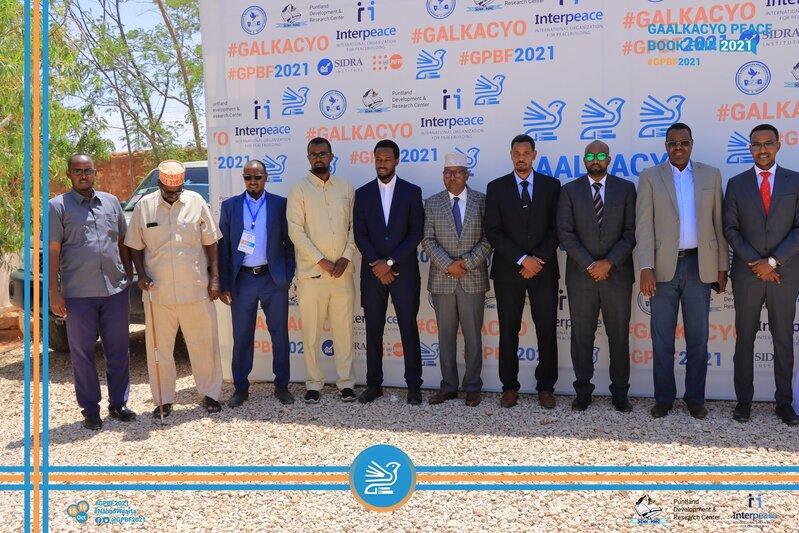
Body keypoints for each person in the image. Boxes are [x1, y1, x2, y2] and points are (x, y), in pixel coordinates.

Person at [635, 122, 728, 420]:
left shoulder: (710, 175)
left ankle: (695, 398)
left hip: (699, 266)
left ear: (692, 143)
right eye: (673, 143)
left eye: (684, 142)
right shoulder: (650, 177)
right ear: (666, 146)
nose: (678, 147)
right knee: (661, 338)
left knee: (698, 337)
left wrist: (722, 266)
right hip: (662, 268)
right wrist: (646, 267)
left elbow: (719, 224)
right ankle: (663, 398)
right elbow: (644, 226)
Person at [125, 160, 224, 417]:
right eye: (169, 191)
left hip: (195, 288)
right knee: (159, 350)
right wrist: (142, 275)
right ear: (159, 185)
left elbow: (212, 242)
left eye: (177, 190)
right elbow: (134, 245)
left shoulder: (197, 202)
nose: (173, 195)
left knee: (204, 345)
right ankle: (164, 399)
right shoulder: (144, 207)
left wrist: (214, 279)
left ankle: (210, 394)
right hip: (159, 293)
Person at [48, 154, 135, 430]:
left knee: (119, 349)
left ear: (95, 172)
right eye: (78, 171)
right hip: (78, 294)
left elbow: (123, 240)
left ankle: (118, 403)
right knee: (82, 353)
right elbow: (52, 252)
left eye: (88, 170)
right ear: (69, 175)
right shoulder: (57, 206)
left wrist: (129, 272)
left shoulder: (111, 202)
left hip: (114, 290)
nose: (84, 175)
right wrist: (54, 292)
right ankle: (90, 410)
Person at [723, 123, 799, 425]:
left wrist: (774, 261)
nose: (762, 149)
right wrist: (757, 262)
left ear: (779, 145)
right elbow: (730, 228)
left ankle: (784, 403)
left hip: (785, 273)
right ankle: (743, 402)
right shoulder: (737, 183)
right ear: (750, 147)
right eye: (756, 144)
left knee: (783, 338)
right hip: (748, 273)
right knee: (745, 340)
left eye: (768, 144)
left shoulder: (795, 181)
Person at [556, 141, 636, 412]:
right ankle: (583, 391)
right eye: (590, 155)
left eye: (601, 155)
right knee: (581, 336)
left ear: (609, 159)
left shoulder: (626, 189)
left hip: (618, 275)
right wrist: (591, 264)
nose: (596, 160)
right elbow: (565, 233)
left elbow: (630, 232)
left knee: (619, 336)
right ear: (584, 160)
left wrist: (609, 263)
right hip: (581, 277)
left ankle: (621, 393)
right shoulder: (569, 191)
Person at [484, 134, 561, 409]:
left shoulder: (552, 187)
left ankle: (546, 387)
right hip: (508, 271)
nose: (521, 157)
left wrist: (536, 259)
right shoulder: (497, 188)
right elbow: (492, 230)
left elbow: (557, 229)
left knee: (546, 330)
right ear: (511, 155)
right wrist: (521, 259)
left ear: (534, 155)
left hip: (543, 269)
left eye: (526, 153)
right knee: (508, 330)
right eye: (516, 152)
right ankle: (509, 386)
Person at [219, 160, 296, 406]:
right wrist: (224, 283)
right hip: (242, 280)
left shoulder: (279, 205)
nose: (253, 182)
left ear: (266, 178)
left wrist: (287, 275)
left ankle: (282, 385)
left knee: (280, 335)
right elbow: (224, 248)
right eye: (249, 178)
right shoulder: (230, 206)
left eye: (258, 177)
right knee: (241, 336)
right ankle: (241, 388)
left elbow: (289, 243)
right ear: (244, 179)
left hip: (272, 279)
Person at [353, 139, 425, 405]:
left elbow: (415, 233)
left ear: (396, 160)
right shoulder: (362, 193)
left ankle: (414, 386)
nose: (381, 164)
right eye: (377, 159)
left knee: (408, 327)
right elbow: (360, 234)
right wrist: (378, 264)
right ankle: (374, 385)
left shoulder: (411, 192)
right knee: (373, 329)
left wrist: (390, 262)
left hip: (403, 272)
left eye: (386, 159)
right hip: (372, 273)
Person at [287, 138, 356, 404]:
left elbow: (355, 227)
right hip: (312, 275)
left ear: (331, 156)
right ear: (308, 158)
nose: (318, 158)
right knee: (312, 333)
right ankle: (314, 383)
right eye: (313, 154)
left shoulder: (346, 187)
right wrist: (322, 261)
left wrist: (345, 258)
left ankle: (346, 383)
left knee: (344, 331)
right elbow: (296, 231)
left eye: (322, 154)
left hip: (342, 274)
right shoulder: (299, 190)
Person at [421, 151, 492, 407]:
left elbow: (488, 239)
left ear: (466, 174)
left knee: (473, 336)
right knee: (445, 337)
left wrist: (467, 263)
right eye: (448, 173)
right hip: (443, 279)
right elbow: (427, 240)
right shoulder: (432, 203)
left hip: (472, 279)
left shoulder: (482, 202)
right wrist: (448, 265)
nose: (452, 177)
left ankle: (473, 386)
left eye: (457, 172)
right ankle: (448, 386)